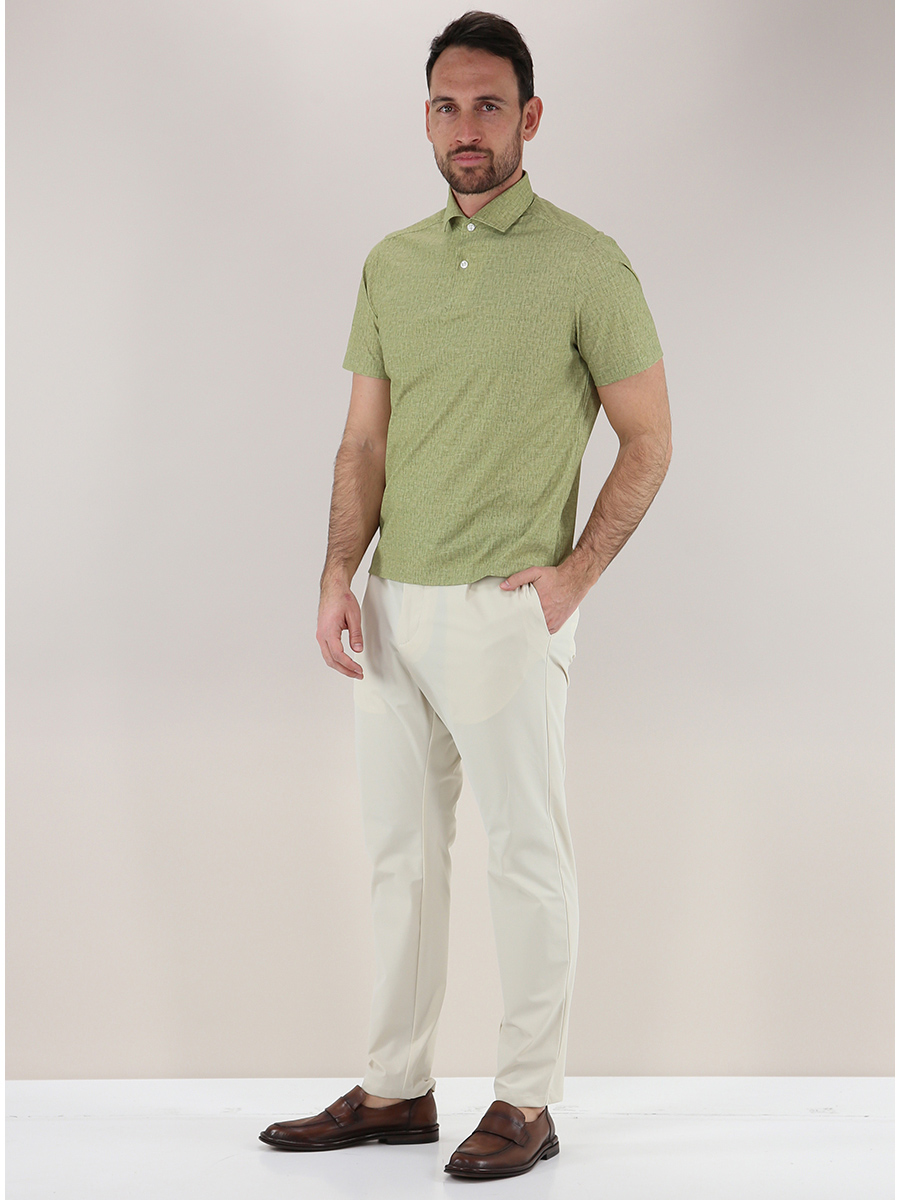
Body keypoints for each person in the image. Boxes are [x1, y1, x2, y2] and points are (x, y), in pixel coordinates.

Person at [260, 10, 671, 1181]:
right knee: (401, 859)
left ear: (530, 117)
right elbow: (363, 442)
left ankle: (527, 1102)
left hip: (508, 608)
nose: (467, 127)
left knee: (525, 857)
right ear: (427, 119)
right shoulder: (391, 263)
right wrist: (337, 576)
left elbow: (650, 437)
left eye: (490, 104)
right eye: (447, 106)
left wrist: (573, 578)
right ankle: (396, 1088)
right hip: (394, 608)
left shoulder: (588, 263)